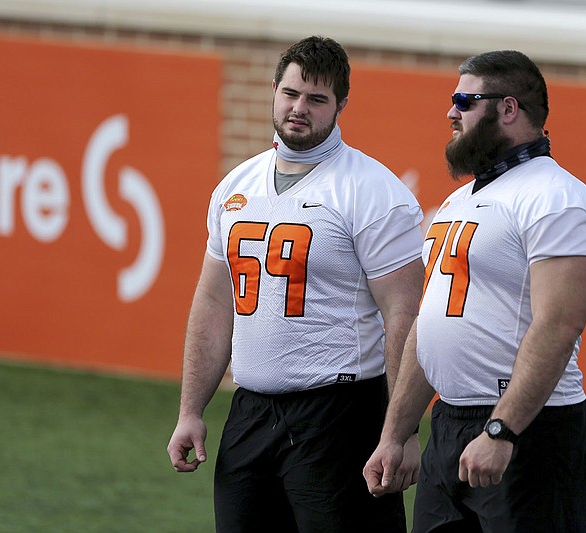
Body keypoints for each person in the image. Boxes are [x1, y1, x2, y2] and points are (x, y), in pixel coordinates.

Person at [166, 35, 424, 533]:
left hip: (339, 414)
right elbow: (214, 301)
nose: (298, 108)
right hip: (251, 411)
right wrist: (190, 410)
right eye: (290, 93)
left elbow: (406, 315)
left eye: (316, 98)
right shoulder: (236, 187)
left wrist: (400, 430)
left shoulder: (372, 191)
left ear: (341, 105)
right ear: (274, 90)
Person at [363, 50, 586, 533]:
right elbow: (430, 324)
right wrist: (397, 433)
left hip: (528, 432)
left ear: (509, 108)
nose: (451, 113)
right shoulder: (460, 198)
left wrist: (502, 429)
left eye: (464, 100)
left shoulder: (557, 198)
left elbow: (559, 325)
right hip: (449, 426)